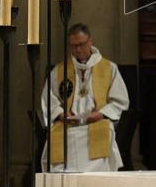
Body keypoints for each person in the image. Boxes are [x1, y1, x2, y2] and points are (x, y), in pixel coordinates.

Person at [41, 23, 129, 172]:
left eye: (81, 44)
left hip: (96, 124)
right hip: (67, 126)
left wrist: (101, 114)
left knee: (104, 131)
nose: (78, 50)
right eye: (73, 46)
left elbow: (120, 101)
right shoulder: (59, 70)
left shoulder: (109, 68)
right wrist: (61, 114)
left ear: (90, 42)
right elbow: (48, 99)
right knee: (55, 137)